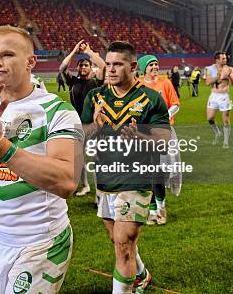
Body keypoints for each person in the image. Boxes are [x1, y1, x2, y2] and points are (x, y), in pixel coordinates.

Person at [0, 25, 84, 293]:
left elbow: (67, 181)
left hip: (41, 242)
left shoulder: (57, 111)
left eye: (8, 54)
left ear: (30, 62)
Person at [82, 41, 171, 294]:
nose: (109, 69)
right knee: (117, 239)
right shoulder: (95, 97)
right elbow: (82, 135)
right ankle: (141, 274)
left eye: (117, 64)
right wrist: (95, 128)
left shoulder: (151, 99)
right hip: (105, 180)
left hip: (137, 179)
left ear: (133, 67)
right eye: (108, 64)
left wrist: (141, 138)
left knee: (123, 243)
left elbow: (164, 142)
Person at [137, 55, 180, 226]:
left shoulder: (165, 83)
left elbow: (175, 103)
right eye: (151, 65)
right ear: (143, 69)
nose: (155, 67)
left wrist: (163, 117)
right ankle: (152, 209)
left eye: (156, 64)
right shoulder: (137, 85)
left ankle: (161, 207)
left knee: (160, 171)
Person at [59, 39, 106, 196]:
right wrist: (73, 51)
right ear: (78, 68)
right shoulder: (73, 82)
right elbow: (62, 68)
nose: (83, 67)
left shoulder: (96, 82)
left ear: (89, 67)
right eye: (81, 65)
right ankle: (85, 186)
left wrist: (89, 51)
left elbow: (104, 66)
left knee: (97, 157)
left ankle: (100, 189)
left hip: (95, 124)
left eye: (86, 65)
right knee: (78, 158)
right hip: (77, 123)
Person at [205, 52, 233, 148]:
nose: (225, 60)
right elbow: (207, 82)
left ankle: (226, 142)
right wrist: (218, 77)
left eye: (225, 58)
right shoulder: (210, 69)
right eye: (223, 58)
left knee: (226, 120)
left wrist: (229, 75)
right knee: (210, 118)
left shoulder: (229, 69)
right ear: (217, 60)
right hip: (213, 96)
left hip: (224, 96)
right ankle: (218, 132)